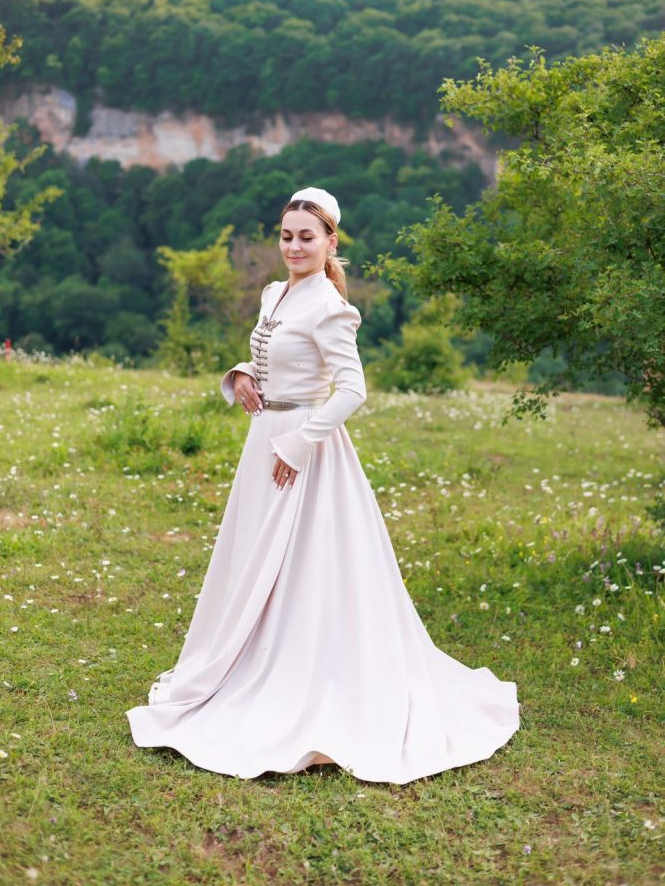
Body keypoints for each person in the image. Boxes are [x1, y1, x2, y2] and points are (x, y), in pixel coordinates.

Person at [125, 186, 520, 784]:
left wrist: (300, 442)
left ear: (330, 242)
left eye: (306, 237)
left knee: (308, 565)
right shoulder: (274, 293)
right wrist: (241, 374)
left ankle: (305, 674)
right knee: (257, 557)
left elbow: (352, 389)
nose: (294, 247)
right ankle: (245, 657)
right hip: (264, 440)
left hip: (304, 449)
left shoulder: (331, 307)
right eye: (286, 236)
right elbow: (272, 357)